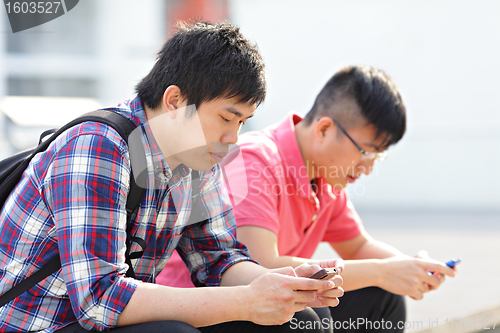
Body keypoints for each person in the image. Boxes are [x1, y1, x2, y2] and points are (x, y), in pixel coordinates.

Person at [0, 21, 344, 333]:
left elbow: (218, 260)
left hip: (104, 318)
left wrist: (285, 283)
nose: (233, 137)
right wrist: (248, 301)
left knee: (300, 321)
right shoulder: (97, 147)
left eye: (242, 122)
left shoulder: (197, 157)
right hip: (40, 324)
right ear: (175, 101)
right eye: (227, 117)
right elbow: (98, 301)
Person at [158, 65, 457, 332]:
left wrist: (409, 267)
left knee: (381, 298)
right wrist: (383, 271)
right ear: (325, 129)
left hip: (266, 300)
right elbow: (261, 266)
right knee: (309, 315)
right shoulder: (254, 159)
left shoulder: (326, 178)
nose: (368, 166)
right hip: (204, 308)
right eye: (366, 151)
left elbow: (358, 246)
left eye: (379, 156)